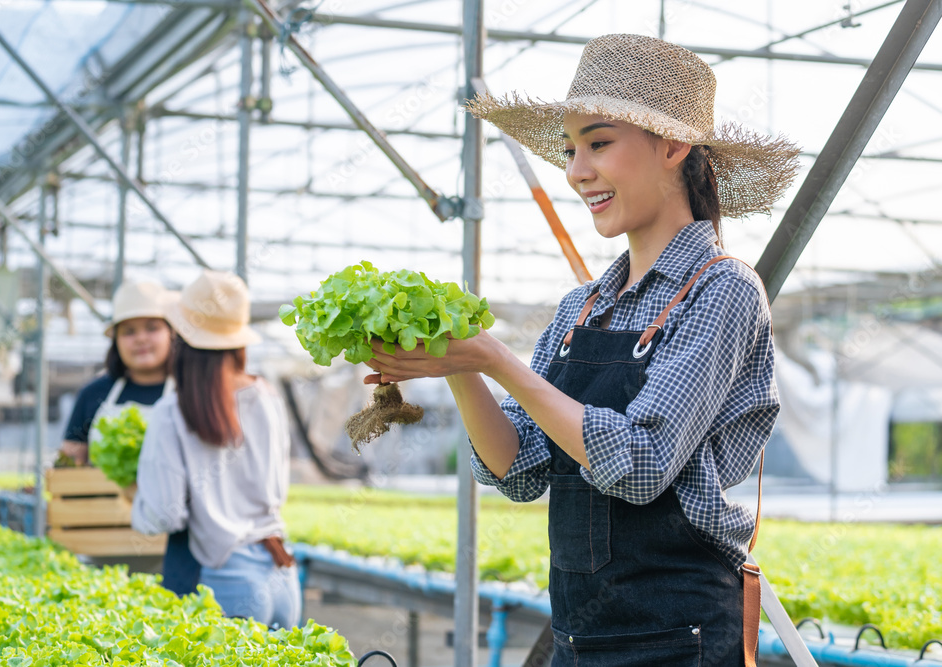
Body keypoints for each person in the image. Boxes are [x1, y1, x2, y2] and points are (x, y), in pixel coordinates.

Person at [363, 34, 800, 665]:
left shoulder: (723, 290)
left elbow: (644, 464)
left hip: (680, 638)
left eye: (598, 144)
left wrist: (498, 360)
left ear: (674, 147)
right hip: (578, 636)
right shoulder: (581, 309)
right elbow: (516, 469)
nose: (575, 172)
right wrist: (461, 365)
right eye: (571, 151)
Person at [130, 270, 300, 630]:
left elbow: (164, 516)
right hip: (282, 577)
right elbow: (277, 489)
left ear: (180, 338)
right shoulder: (267, 395)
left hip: (224, 584)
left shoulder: (172, 412)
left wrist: (136, 496)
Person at [59, 280, 201, 597]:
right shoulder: (94, 394)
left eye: (151, 328)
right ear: (116, 341)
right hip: (100, 543)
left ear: (171, 334)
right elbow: (69, 461)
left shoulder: (190, 390)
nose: (140, 339)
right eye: (128, 331)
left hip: (176, 546)